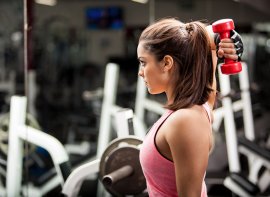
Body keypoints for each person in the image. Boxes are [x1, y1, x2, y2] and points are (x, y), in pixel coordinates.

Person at [138, 17, 243, 197]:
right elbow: (205, 37)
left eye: (143, 62)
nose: (140, 72)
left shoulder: (186, 120)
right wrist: (222, 38)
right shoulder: (195, 109)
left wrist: (220, 39)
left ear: (166, 63)